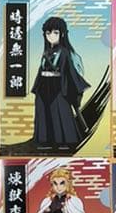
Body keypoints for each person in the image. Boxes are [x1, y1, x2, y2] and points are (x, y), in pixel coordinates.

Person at [32, 16, 89, 148]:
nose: (51, 36)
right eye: (48, 33)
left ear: (62, 34)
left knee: (59, 112)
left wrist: (74, 90)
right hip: (44, 86)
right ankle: (45, 141)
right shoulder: (46, 52)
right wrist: (37, 88)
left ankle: (64, 141)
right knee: (43, 111)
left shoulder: (64, 52)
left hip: (59, 86)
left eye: (55, 33)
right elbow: (41, 71)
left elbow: (70, 72)